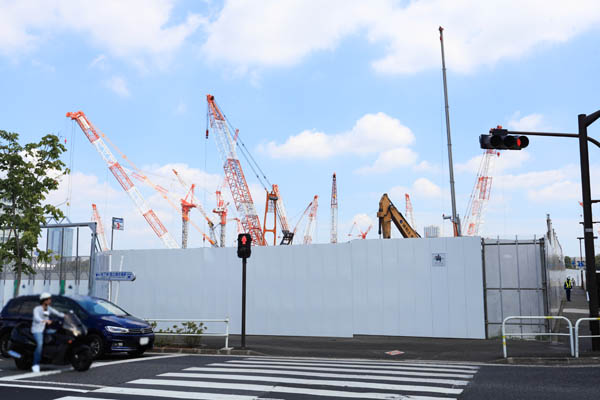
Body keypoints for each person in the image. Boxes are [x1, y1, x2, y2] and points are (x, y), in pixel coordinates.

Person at [31, 293, 64, 373]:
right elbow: (36, 317)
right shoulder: (37, 309)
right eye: (48, 299)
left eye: (50, 299)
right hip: (37, 330)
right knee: (40, 344)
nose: (50, 300)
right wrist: (44, 320)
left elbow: (57, 313)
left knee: (60, 335)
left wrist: (66, 316)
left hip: (46, 329)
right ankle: (35, 364)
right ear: (44, 300)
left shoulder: (49, 308)